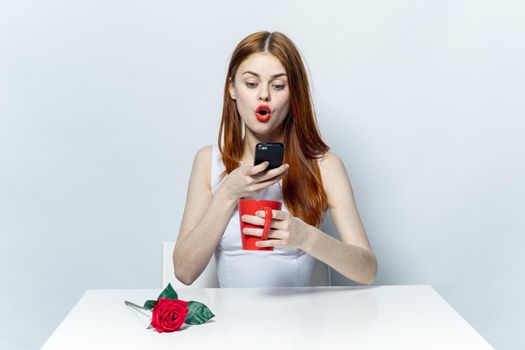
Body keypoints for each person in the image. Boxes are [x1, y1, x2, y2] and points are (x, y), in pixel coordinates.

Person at [173, 31, 377, 287]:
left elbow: (367, 270)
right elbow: (184, 271)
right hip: (231, 324)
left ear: (294, 94)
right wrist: (227, 194)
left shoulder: (325, 167)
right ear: (232, 88)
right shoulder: (208, 162)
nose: (264, 95)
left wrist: (306, 238)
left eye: (278, 85)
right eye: (251, 83)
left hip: (300, 323)